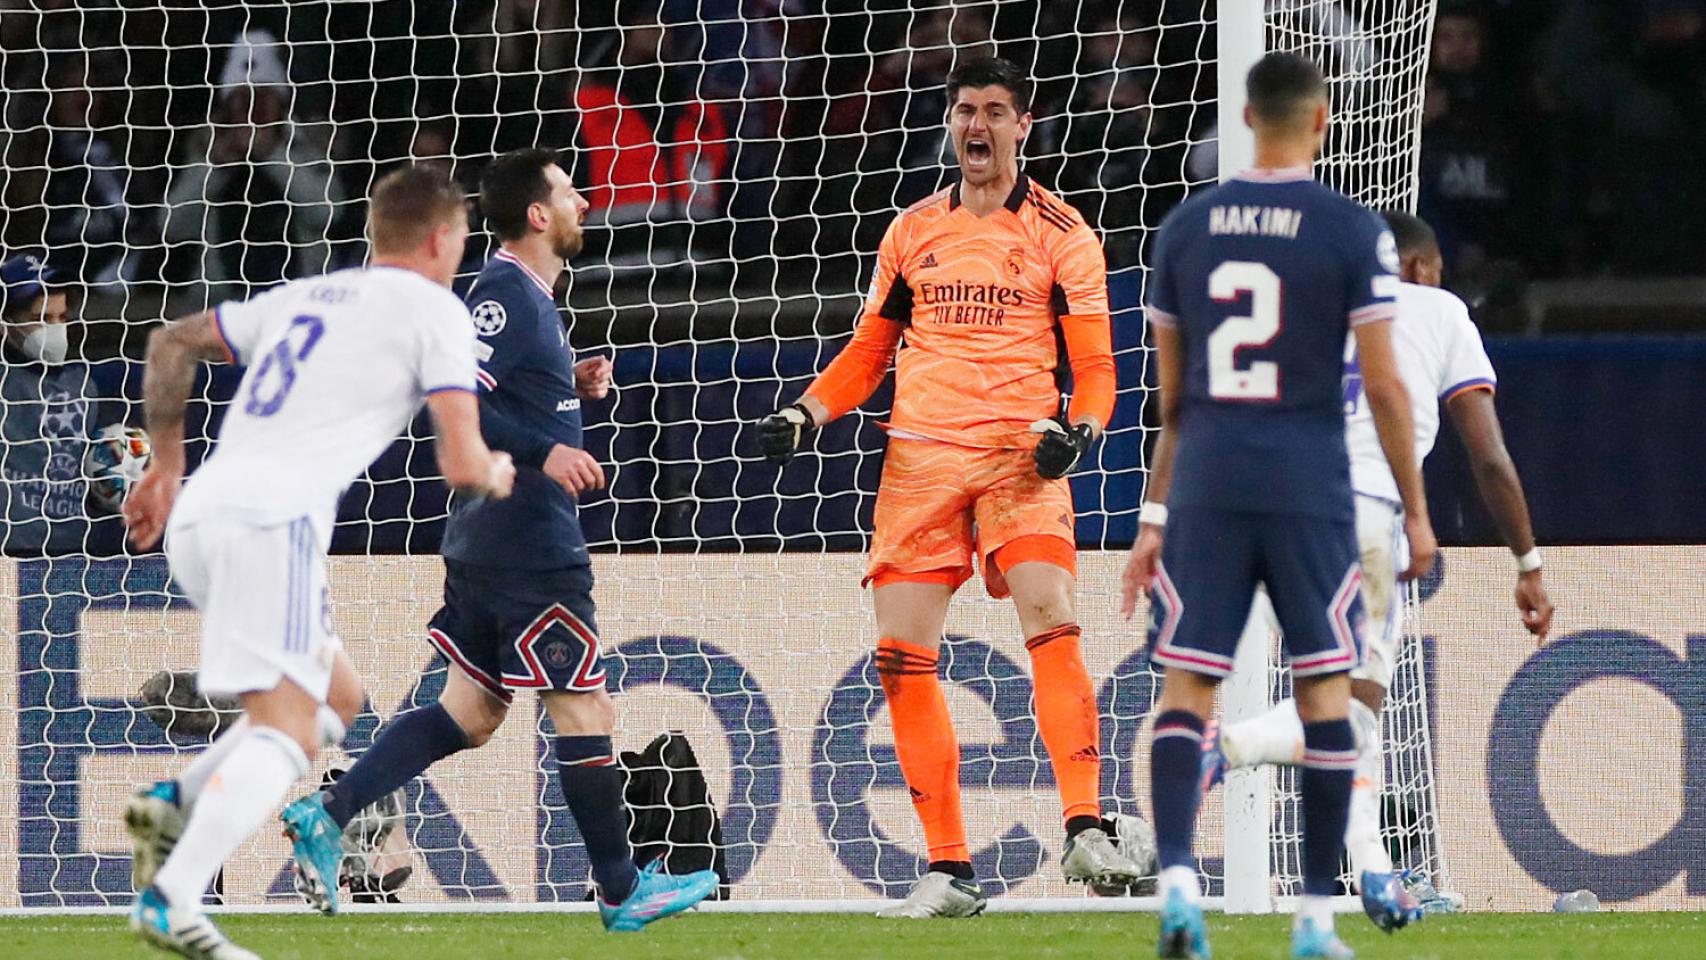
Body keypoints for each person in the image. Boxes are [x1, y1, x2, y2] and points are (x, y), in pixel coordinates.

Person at [279, 148, 719, 931]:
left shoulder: (532, 298)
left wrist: (567, 387)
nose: (585, 201)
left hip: (488, 540)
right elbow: (455, 397)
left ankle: (331, 812)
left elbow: (496, 390)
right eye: (569, 192)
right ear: (539, 214)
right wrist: (546, 448)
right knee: (585, 708)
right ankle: (621, 889)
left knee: (472, 713)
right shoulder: (506, 294)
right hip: (529, 543)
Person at [760, 56, 1135, 919]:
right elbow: (869, 350)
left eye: (996, 111)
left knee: (1049, 610)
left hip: (1017, 456)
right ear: (950, 122)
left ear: (1023, 127)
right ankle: (950, 870)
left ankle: (1084, 824)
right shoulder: (911, 231)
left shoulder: (1063, 233)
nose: (978, 125)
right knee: (900, 658)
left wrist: (1077, 435)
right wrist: (807, 412)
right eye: (966, 110)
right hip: (921, 460)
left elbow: (1096, 369)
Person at [121, 164, 516, 959]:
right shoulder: (436, 311)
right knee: (291, 731)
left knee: (338, 697)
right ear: (442, 237)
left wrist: (164, 466)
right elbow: (462, 462)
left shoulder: (309, 295)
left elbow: (171, 341)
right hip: (269, 523)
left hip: (203, 514)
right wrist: (500, 471)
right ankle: (171, 898)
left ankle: (173, 803)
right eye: (462, 240)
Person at [1118, 53, 1436, 960]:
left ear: (1247, 117)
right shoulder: (1352, 231)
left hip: (1211, 483)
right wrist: (1415, 512)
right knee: (1328, 696)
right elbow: (1384, 385)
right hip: (1308, 487)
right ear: (1323, 120)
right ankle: (1314, 921)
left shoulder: (1183, 230)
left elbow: (1171, 405)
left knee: (1187, 691)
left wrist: (1152, 520)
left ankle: (1178, 888)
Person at [1207, 210, 1555, 928]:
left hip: (1275, 511)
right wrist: (1527, 562)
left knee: (1342, 713)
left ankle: (1373, 873)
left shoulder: (1312, 308)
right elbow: (1489, 457)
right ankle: (1228, 745)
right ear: (1421, 267)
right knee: (1351, 712)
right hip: (1361, 514)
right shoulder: (1439, 310)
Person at [0, 252, 131, 556]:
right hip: (8, 556)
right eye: (41, 319)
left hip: (73, 557)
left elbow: (95, 468)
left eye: (61, 318)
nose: (55, 329)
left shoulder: (82, 384)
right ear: (6, 323)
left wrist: (114, 474)